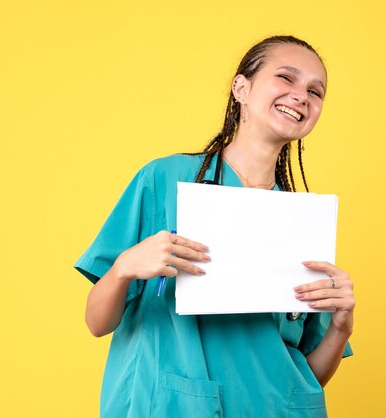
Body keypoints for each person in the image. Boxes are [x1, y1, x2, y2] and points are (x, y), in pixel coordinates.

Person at [75, 35, 356, 418]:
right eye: (286, 78)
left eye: (315, 91)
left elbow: (307, 376)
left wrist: (340, 327)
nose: (301, 96)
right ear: (241, 87)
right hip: (174, 406)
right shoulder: (164, 180)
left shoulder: (303, 221)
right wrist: (125, 267)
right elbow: (97, 322)